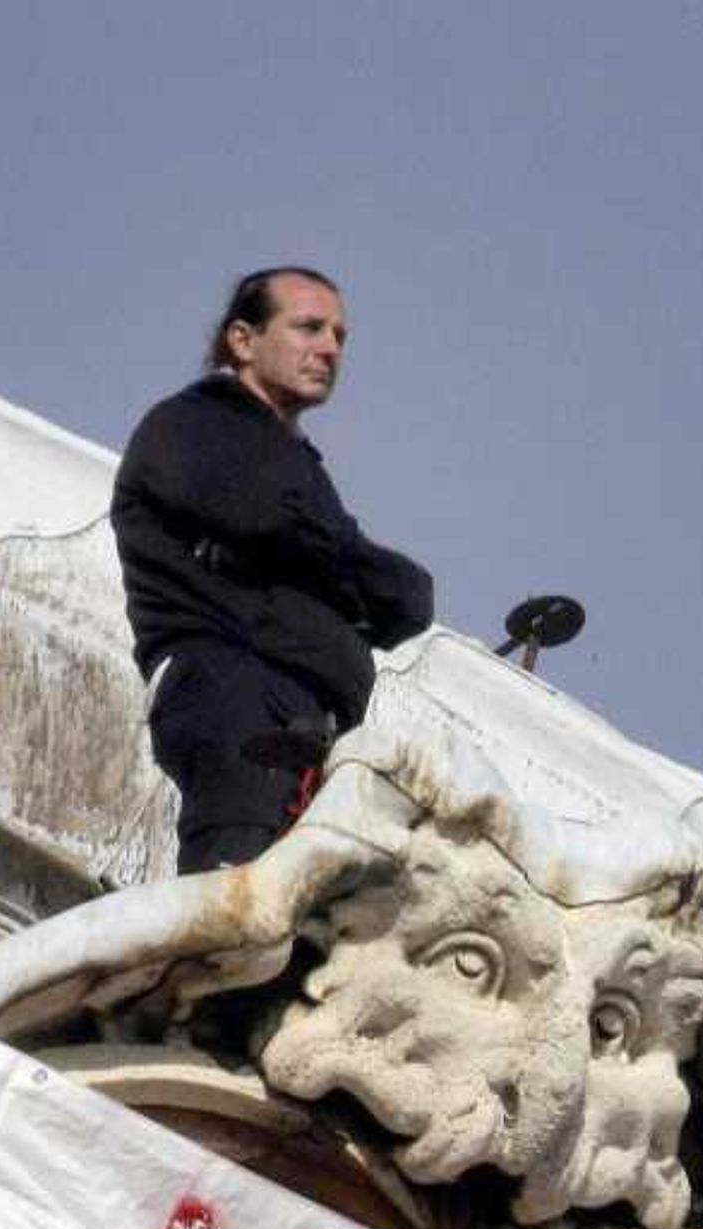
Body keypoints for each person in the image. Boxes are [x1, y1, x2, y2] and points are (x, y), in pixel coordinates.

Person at [113, 267, 435, 874]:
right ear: (243, 339)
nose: (330, 348)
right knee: (236, 893)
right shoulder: (195, 424)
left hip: (312, 720)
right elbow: (268, 519)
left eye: (340, 335)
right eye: (309, 327)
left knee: (291, 926)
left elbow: (409, 600)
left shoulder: (293, 461)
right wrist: (349, 572)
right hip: (237, 689)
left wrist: (334, 565)